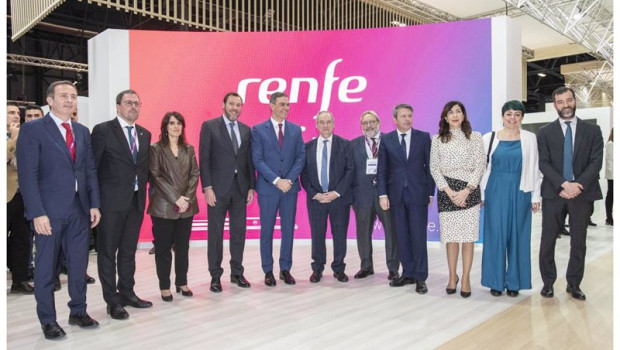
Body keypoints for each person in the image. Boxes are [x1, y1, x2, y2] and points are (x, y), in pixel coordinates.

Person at [17, 80, 101, 340]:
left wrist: (94, 203)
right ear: (50, 100)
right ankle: (48, 320)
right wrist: (36, 212)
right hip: (48, 212)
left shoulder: (82, 131)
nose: (69, 100)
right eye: (63, 96)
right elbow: (27, 176)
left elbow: (89, 170)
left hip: (79, 209)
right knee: (46, 268)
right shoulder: (33, 130)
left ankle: (78, 311)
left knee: (78, 264)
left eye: (73, 96)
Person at [537, 86, 603, 301]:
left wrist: (577, 185)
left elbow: (596, 162)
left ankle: (574, 284)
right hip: (553, 193)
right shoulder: (545, 132)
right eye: (560, 102)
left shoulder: (592, 131)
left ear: (575, 101)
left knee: (579, 242)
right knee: (547, 241)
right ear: (554, 105)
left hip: (581, 194)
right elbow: (544, 163)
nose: (565, 106)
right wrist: (563, 184)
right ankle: (548, 283)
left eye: (568, 100)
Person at [91, 89, 153, 319]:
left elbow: (145, 169)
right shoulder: (103, 131)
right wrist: (93, 203)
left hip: (136, 202)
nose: (133, 106)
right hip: (110, 204)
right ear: (118, 106)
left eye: (137, 103)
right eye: (128, 103)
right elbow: (92, 169)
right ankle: (112, 300)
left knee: (128, 251)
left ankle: (127, 292)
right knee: (108, 253)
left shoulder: (145, 134)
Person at [480, 100, 541, 297]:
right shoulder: (489, 138)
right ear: (502, 116)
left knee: (519, 236)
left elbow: (534, 168)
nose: (512, 118)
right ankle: (495, 281)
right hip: (495, 190)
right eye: (509, 114)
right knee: (495, 235)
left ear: (522, 117)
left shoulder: (530, 138)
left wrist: (535, 197)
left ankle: (515, 282)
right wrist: (481, 194)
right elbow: (483, 169)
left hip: (521, 190)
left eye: (517, 114)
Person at [199, 92, 255, 293]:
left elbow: (249, 160)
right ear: (223, 105)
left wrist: (251, 186)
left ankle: (237, 273)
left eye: (238, 105)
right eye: (231, 104)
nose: (235, 108)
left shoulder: (246, 130)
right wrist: (207, 188)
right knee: (215, 235)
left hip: (240, 189)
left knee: (238, 233)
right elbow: (204, 159)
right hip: (217, 190)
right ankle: (215, 276)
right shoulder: (210, 126)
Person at [377, 103, 435, 294]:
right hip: (395, 196)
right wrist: (383, 194)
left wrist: (429, 193)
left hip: (418, 195)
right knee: (401, 236)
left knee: (418, 236)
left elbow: (430, 167)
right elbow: (382, 169)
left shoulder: (423, 137)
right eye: (403, 116)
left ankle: (420, 277)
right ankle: (408, 273)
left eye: (410, 115)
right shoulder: (386, 140)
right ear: (395, 119)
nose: (407, 119)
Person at [430, 101, 485, 298]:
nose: (455, 115)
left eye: (458, 111)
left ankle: (466, 277)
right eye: (450, 112)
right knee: (451, 239)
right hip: (447, 192)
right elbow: (434, 168)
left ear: (464, 115)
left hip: (470, 191)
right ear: (445, 117)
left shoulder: (475, 137)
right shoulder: (437, 139)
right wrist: (450, 192)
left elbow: (481, 166)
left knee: (468, 240)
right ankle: (452, 277)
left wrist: (467, 190)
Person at [251, 91, 306, 286]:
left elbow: (301, 157)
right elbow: (257, 159)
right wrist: (276, 180)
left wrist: (289, 180)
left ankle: (285, 269)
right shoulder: (258, 130)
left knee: (288, 230)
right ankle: (268, 270)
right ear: (271, 106)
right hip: (268, 189)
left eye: (287, 105)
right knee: (266, 231)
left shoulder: (295, 130)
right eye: (282, 104)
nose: (285, 108)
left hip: (289, 189)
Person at [148, 112, 199, 301]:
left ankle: (182, 282)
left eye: (179, 123)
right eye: (172, 123)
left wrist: (186, 198)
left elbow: (195, 174)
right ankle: (164, 286)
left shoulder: (189, 149)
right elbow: (156, 176)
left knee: (183, 247)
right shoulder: (156, 149)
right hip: (163, 207)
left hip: (186, 207)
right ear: (165, 127)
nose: (176, 127)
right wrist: (175, 198)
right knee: (162, 249)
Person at [300, 111, 354, 283]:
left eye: (328, 122)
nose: (325, 125)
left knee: (339, 235)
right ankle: (317, 269)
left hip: (339, 199)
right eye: (321, 122)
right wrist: (315, 194)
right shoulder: (307, 147)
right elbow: (304, 175)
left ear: (333, 124)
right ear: (316, 125)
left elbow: (350, 171)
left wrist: (336, 193)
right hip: (316, 200)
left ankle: (339, 268)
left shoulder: (345, 145)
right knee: (317, 235)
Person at [350, 110, 399, 280]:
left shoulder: (391, 141)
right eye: (365, 123)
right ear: (361, 126)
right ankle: (366, 266)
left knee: (392, 232)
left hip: (386, 195)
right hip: (362, 197)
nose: (369, 125)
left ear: (379, 122)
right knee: (363, 233)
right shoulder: (352, 145)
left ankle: (393, 268)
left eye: (372, 121)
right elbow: (350, 172)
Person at [7, 103, 35, 294]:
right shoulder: (16, 138)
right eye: (10, 113)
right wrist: (13, 140)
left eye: (18, 113)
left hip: (23, 195)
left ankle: (19, 280)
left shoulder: (27, 137)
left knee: (22, 239)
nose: (16, 116)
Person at [604, 128, 613, 226]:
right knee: (611, 195)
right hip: (612, 175)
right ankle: (609, 218)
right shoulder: (611, 144)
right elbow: (612, 159)